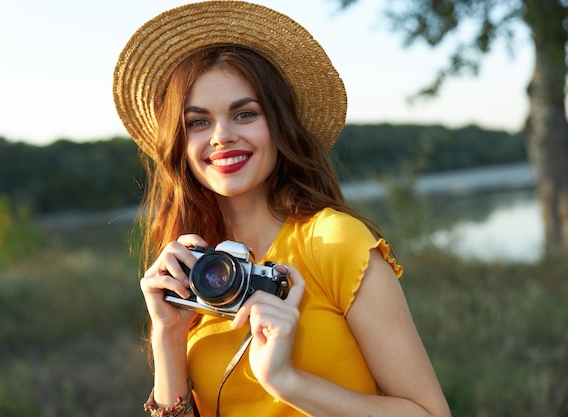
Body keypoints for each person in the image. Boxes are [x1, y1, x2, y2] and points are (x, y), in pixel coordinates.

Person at [113, 1, 451, 416]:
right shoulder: (195, 271)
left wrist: (287, 382)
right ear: (181, 144)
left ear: (278, 124)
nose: (222, 136)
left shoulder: (334, 242)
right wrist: (168, 335)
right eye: (198, 122)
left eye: (244, 113)